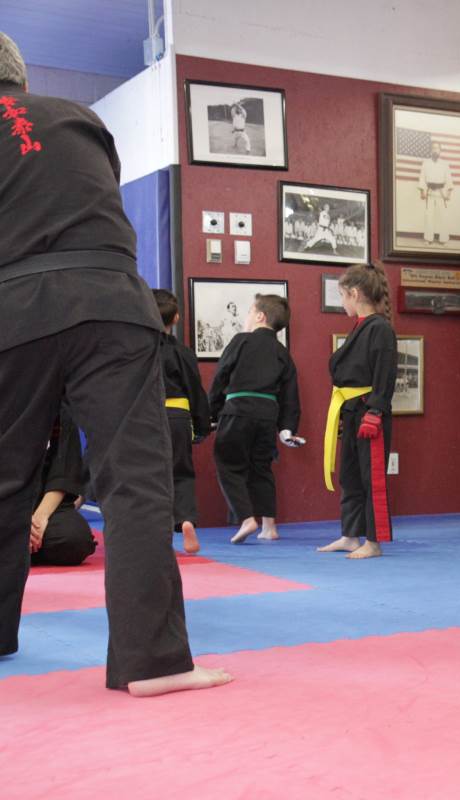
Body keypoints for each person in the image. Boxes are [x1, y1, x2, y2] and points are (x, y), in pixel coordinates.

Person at [0, 31, 228, 695]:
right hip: (113, 303)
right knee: (134, 480)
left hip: (14, 307)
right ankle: (153, 663)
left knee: (4, 480)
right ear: (22, 77)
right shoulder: (80, 117)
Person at [319, 263, 398, 560]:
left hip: (368, 411)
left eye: (342, 296)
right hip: (352, 410)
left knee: (371, 478)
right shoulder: (361, 327)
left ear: (354, 293)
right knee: (350, 476)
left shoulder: (380, 328)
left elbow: (384, 374)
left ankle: (374, 541)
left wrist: (376, 411)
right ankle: (351, 535)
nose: (342, 303)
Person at [209, 294, 302, 544]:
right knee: (262, 468)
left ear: (260, 316)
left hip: (238, 410)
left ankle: (246, 518)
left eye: (250, 311)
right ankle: (269, 527)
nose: (247, 316)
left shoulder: (241, 341)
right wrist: (287, 428)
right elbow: (290, 395)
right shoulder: (283, 353)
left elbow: (220, 377)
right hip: (267, 416)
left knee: (228, 463)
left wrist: (212, 413)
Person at [153, 289, 211, 555]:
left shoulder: (138, 351)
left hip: (146, 417)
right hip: (178, 417)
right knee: (181, 473)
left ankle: (156, 529)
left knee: (149, 474)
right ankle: (186, 520)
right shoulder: (183, 353)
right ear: (176, 318)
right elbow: (196, 392)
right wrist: (202, 426)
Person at [29, 408, 97, 567]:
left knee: (74, 539)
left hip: (43, 502)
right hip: (7, 502)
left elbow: (63, 468)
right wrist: (16, 519)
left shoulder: (55, 402)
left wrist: (39, 518)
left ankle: (18, 546)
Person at [418, 142, 453, 245]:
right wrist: (422, 191)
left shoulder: (445, 164)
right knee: (428, 216)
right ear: (431, 150)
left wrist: (448, 194)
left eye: (437, 148)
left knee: (443, 216)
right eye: (433, 148)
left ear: (440, 151)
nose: (435, 150)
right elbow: (422, 178)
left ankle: (444, 239)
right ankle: (428, 238)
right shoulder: (426, 163)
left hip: (441, 193)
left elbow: (449, 179)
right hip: (430, 192)